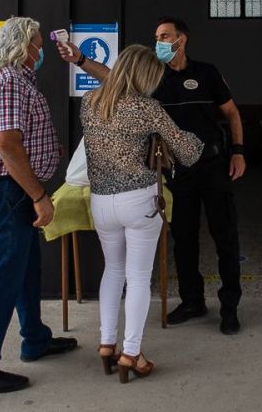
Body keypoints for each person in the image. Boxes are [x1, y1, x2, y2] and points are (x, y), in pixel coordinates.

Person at [57, 15, 247, 335]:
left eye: (163, 35)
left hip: (214, 166)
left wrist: (239, 150)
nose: (158, 41)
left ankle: (230, 307)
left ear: (181, 39)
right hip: (177, 169)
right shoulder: (155, 78)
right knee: (183, 239)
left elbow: (231, 112)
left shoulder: (207, 72)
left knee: (224, 236)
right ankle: (192, 301)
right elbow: (115, 79)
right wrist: (81, 60)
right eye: (156, 36)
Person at [0, 17, 77, 394]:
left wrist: (47, 149)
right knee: (0, 278)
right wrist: (39, 196)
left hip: (3, 187)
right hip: (7, 190)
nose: (41, 51)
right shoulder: (10, 81)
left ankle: (36, 339)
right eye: (38, 44)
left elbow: (18, 136)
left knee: (26, 267)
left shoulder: (2, 76)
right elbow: (7, 143)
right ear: (24, 46)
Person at [81, 44, 204, 383]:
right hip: (138, 201)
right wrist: (200, 139)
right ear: (147, 77)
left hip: (101, 201)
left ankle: (107, 345)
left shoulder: (89, 102)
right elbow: (186, 150)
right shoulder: (147, 107)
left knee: (113, 271)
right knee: (137, 278)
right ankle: (131, 354)